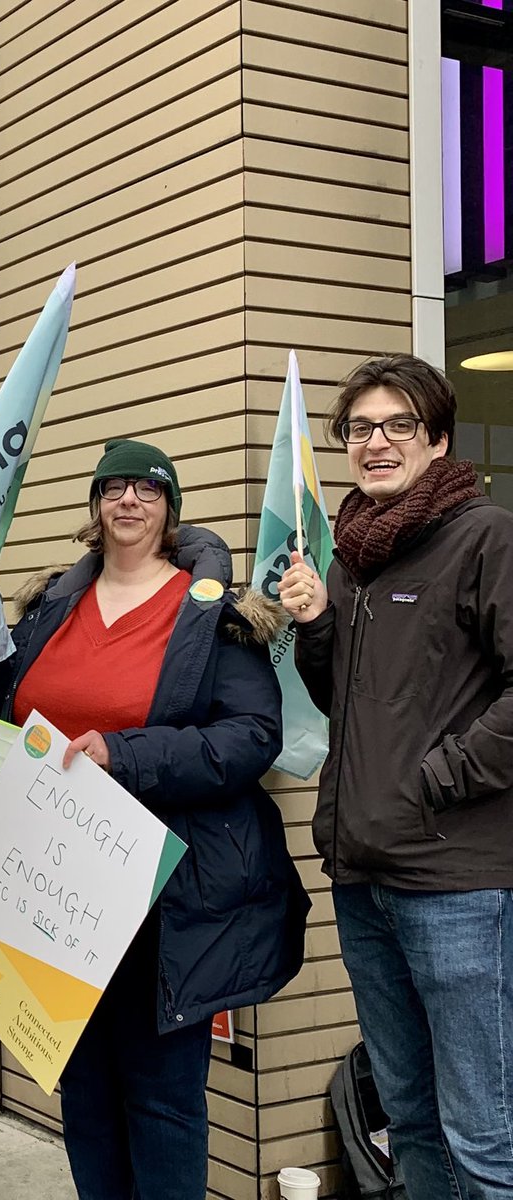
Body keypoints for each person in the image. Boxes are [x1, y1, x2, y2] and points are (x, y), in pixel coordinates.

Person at [0, 439, 309, 1200]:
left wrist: (126, 756)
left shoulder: (213, 616)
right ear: (94, 507)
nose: (128, 501)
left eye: (147, 490)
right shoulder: (51, 605)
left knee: (162, 1100)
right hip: (57, 890)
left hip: (165, 894)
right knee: (84, 1097)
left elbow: (252, 738)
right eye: (112, 488)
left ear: (170, 510)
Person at [279, 354, 513, 1199]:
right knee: (409, 1116)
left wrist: (441, 776)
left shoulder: (485, 537)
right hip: (363, 877)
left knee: (483, 1134)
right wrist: (312, 627)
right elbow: (340, 702)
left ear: (438, 439)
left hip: (456, 884)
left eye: (398, 425)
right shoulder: (352, 561)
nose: (375, 443)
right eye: (359, 428)